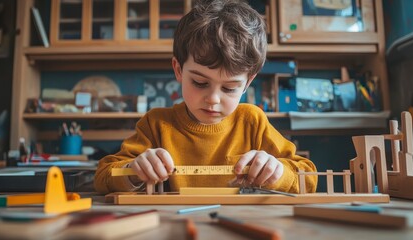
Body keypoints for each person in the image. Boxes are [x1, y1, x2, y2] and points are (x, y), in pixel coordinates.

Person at [94, 0, 317, 194]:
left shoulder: (252, 121)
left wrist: (279, 173)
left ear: (248, 82)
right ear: (179, 70)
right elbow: (102, 177)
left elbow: (309, 178)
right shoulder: (156, 124)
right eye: (200, 83)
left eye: (229, 88)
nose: (213, 99)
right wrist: (133, 171)